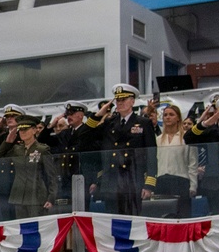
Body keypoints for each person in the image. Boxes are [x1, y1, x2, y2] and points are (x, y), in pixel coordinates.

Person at [78, 83, 157, 216]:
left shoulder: (143, 123)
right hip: (112, 180)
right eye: (117, 100)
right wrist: (98, 115)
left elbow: (151, 155)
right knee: (112, 221)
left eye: (123, 99)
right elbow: (84, 135)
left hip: (131, 179)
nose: (119, 103)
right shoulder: (110, 122)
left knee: (131, 221)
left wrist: (148, 185)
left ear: (132, 101)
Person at [0, 115, 58, 219]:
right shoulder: (16, 149)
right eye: (20, 129)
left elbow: (52, 176)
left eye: (26, 129)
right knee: (21, 229)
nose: (22, 132)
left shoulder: (42, 149)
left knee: (36, 227)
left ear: (34, 130)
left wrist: (51, 198)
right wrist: (7, 142)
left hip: (36, 195)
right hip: (19, 195)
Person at [154, 103, 197, 217]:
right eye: (165, 115)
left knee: (182, 216)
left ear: (178, 118)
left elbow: (192, 163)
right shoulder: (158, 140)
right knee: (162, 218)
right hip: (161, 181)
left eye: (171, 114)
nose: (168, 117)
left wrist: (193, 185)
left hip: (181, 181)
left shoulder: (186, 138)